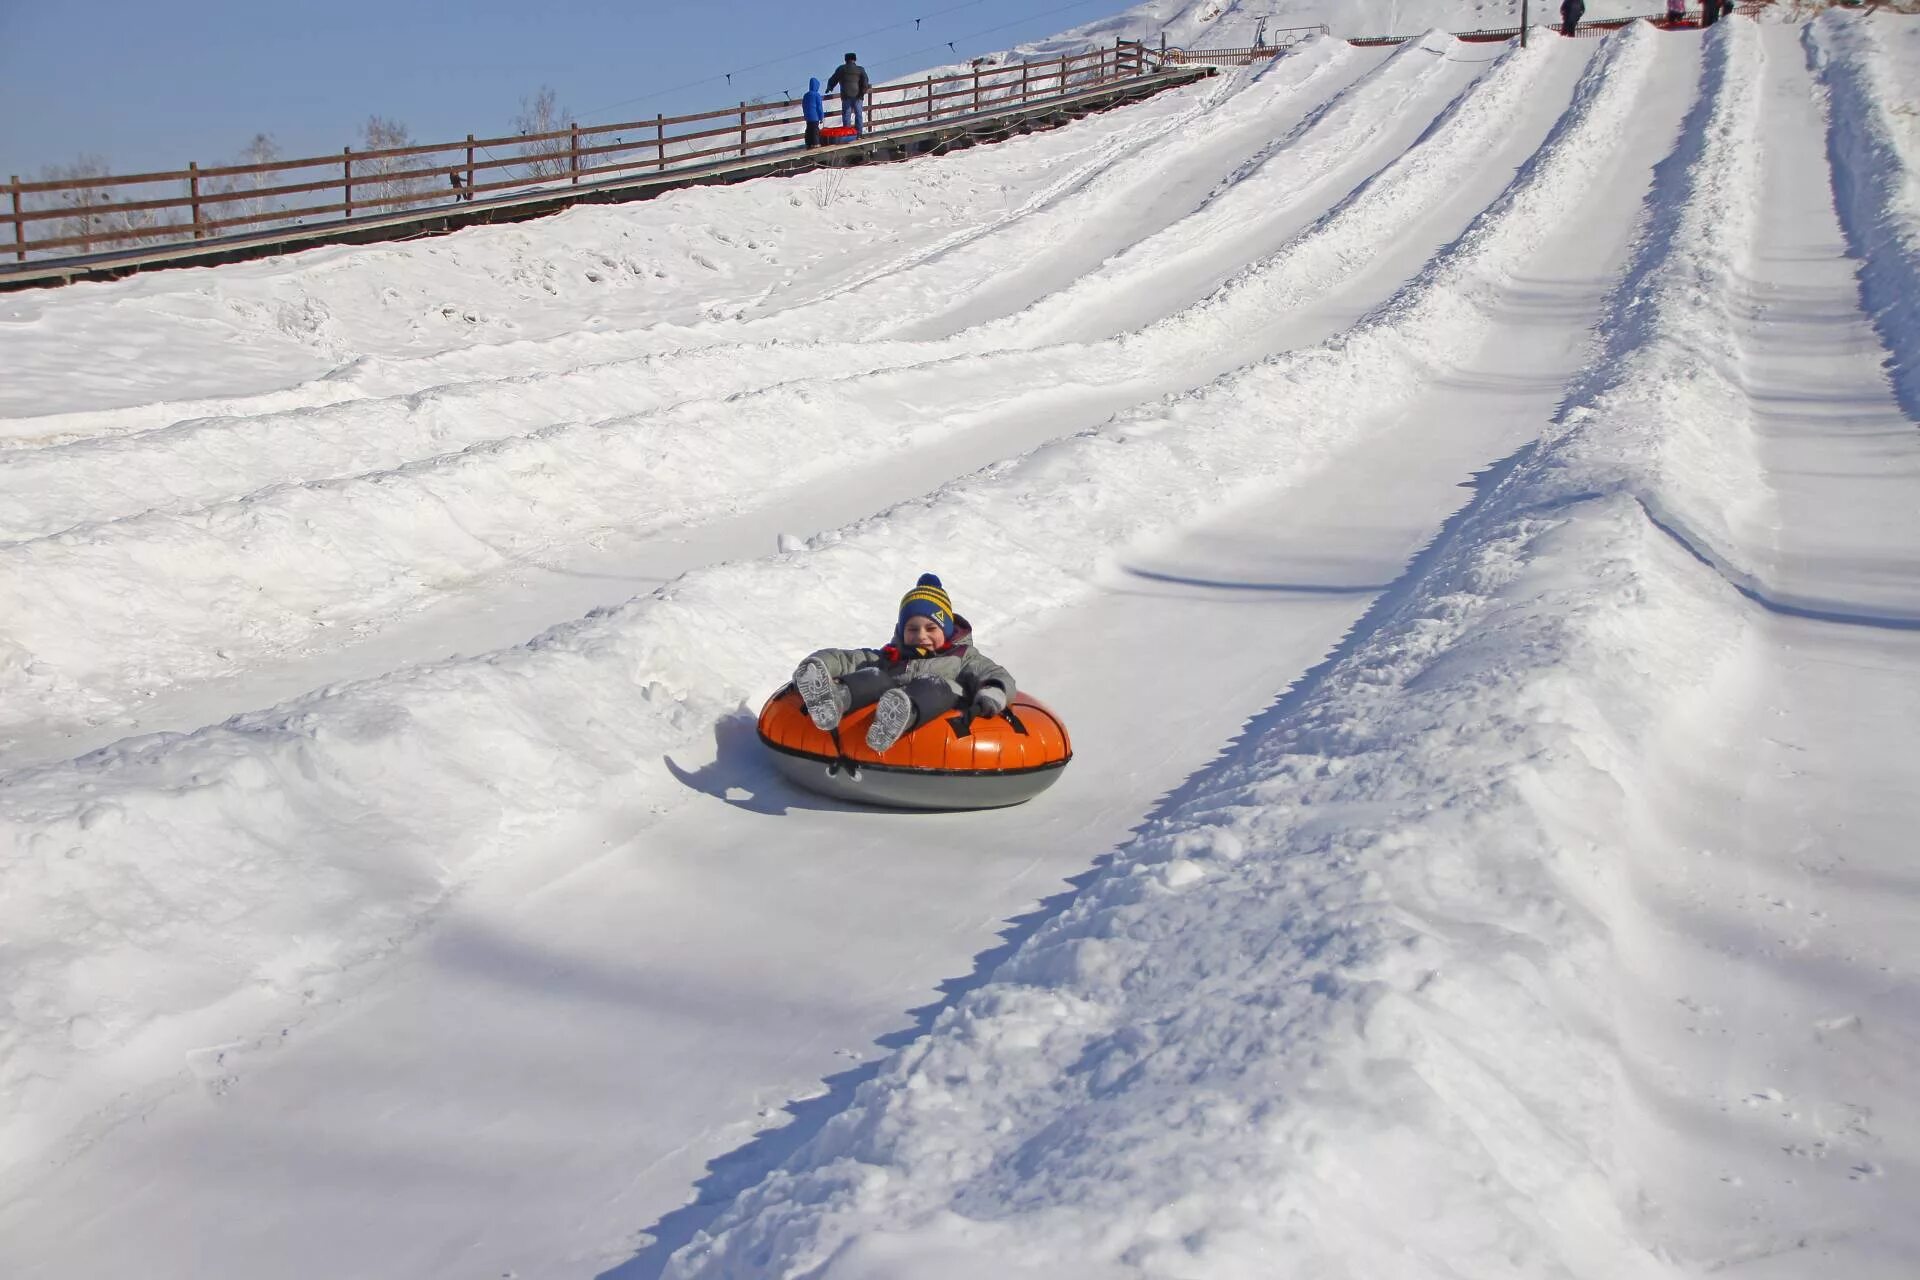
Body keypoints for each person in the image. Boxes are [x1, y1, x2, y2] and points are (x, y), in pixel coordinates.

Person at [790, 573, 1016, 754]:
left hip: (934, 705)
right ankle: (836, 699)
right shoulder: (892, 655)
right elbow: (849, 659)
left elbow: (993, 673)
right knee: (875, 675)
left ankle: (901, 717)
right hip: (887, 700)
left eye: (931, 628)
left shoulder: (961, 656)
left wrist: (993, 692)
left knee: (934, 684)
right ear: (901, 631)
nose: (921, 636)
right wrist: (818, 664)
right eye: (912, 629)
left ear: (946, 631)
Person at [826, 52, 870, 137]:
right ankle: (859, 134)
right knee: (859, 115)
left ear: (846, 60)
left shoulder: (841, 69)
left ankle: (848, 135)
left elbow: (833, 79)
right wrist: (862, 93)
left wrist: (830, 87)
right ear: (855, 59)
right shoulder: (860, 69)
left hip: (846, 95)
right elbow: (865, 82)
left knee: (846, 115)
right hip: (858, 96)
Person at [802, 77, 825, 148]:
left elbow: (803, 105)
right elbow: (819, 107)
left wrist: (805, 115)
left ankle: (808, 143)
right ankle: (816, 143)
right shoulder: (817, 95)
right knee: (815, 130)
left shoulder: (805, 95)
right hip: (815, 116)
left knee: (809, 129)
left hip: (808, 116)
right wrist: (821, 117)